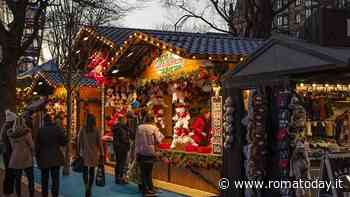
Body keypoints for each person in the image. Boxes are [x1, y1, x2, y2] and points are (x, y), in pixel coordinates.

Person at [36, 115, 68, 197]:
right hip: (56, 158)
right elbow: (64, 142)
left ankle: (45, 195)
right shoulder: (57, 129)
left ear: (44, 121)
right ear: (51, 120)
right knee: (55, 180)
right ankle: (55, 195)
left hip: (44, 158)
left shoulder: (40, 130)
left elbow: (37, 146)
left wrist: (37, 157)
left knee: (44, 180)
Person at [135, 114, 164, 196]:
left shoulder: (139, 127)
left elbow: (136, 141)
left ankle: (147, 189)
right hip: (150, 152)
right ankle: (148, 190)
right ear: (152, 120)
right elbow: (159, 140)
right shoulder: (154, 128)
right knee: (149, 172)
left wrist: (136, 152)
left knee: (143, 172)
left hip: (141, 152)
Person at [7, 115, 35, 197]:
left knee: (17, 180)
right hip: (27, 158)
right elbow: (32, 145)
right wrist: (32, 152)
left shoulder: (11, 135)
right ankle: (31, 195)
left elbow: (12, 147)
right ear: (23, 123)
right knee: (31, 179)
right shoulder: (27, 133)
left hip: (15, 158)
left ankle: (18, 195)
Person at [78, 114, 104, 197]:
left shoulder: (83, 129)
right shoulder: (96, 130)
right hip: (94, 153)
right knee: (92, 171)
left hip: (84, 153)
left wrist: (78, 151)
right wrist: (102, 153)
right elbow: (99, 143)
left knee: (85, 170)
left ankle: (86, 186)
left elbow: (79, 140)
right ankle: (89, 187)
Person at [112, 116, 134, 184]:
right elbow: (124, 138)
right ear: (122, 121)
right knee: (121, 163)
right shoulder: (122, 128)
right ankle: (120, 178)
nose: (126, 121)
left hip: (117, 147)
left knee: (118, 163)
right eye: (125, 120)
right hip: (122, 147)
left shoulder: (116, 127)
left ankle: (117, 178)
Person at [0, 110, 16, 196]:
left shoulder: (4, 127)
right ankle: (8, 191)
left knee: (8, 173)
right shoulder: (8, 129)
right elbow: (10, 142)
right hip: (9, 154)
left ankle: (7, 191)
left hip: (6, 153)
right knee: (10, 173)